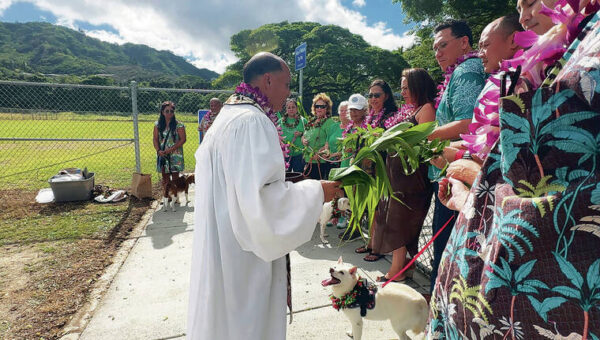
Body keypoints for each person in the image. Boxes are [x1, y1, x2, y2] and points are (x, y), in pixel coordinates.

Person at [428, 5, 600, 337]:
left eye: (533, 2)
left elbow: (552, 196)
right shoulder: (567, 53)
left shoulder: (585, 56)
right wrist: (472, 190)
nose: (525, 16)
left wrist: (470, 179)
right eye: (520, 5)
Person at [187, 52, 343, 340]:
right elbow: (262, 202)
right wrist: (315, 191)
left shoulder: (228, 117)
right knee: (246, 320)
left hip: (223, 238)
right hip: (244, 253)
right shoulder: (252, 121)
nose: (288, 94)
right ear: (268, 80)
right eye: (285, 85)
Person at [427, 19, 486, 292]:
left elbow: (467, 122)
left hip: (459, 174)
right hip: (452, 170)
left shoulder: (466, 70)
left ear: (464, 43)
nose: (437, 53)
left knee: (447, 250)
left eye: (443, 45)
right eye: (434, 48)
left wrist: (424, 136)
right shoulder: (461, 71)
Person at [371, 68, 437, 282]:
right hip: (400, 178)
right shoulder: (412, 110)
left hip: (412, 179)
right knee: (398, 220)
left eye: (407, 88)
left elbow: (424, 143)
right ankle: (405, 266)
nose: (404, 93)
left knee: (401, 222)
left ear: (419, 86)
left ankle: (397, 270)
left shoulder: (426, 109)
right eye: (401, 89)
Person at [301, 93, 340, 180]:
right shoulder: (311, 121)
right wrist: (303, 139)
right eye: (317, 106)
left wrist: (320, 153)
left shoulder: (330, 123)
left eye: (322, 106)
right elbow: (304, 135)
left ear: (327, 108)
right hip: (308, 160)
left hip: (320, 162)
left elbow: (331, 142)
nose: (319, 108)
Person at [153, 101, 186, 198]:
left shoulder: (179, 125)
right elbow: (155, 139)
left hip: (175, 153)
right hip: (162, 153)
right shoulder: (157, 125)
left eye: (171, 111)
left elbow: (183, 139)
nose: (169, 113)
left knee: (175, 176)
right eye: (167, 111)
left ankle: (175, 196)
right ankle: (166, 196)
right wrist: (158, 150)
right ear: (162, 112)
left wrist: (171, 149)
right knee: (165, 176)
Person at [278, 98, 307, 173]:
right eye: (289, 107)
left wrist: (301, 134)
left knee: (298, 175)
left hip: (299, 154)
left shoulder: (303, 121)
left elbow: (308, 135)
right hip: (285, 154)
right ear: (286, 109)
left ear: (297, 108)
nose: (291, 109)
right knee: (285, 176)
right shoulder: (280, 122)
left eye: (293, 107)